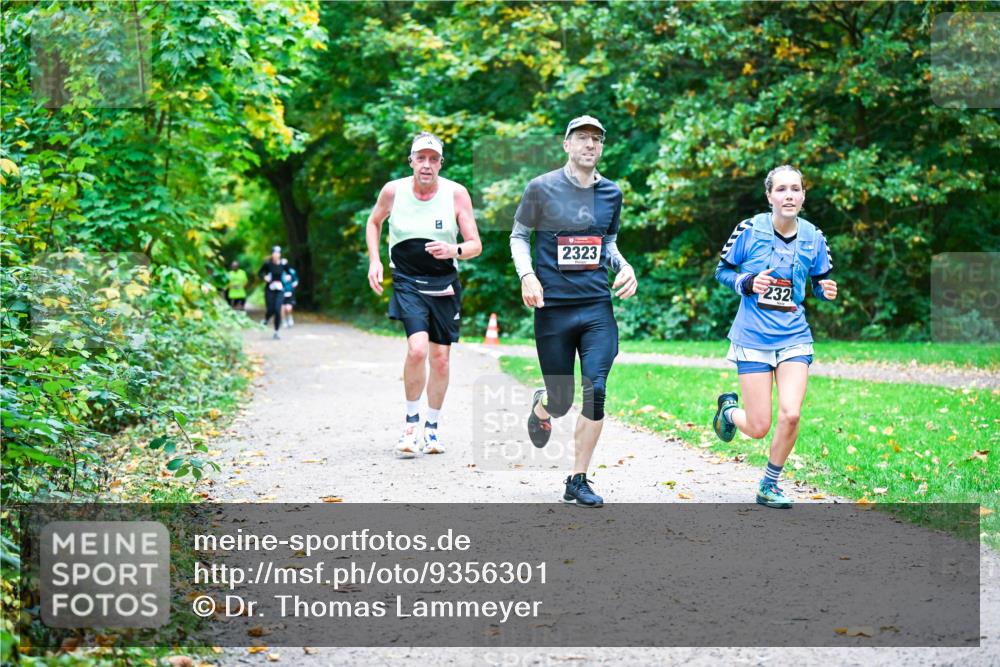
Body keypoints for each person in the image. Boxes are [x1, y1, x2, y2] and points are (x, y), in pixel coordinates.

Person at [510, 115, 638, 508]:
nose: (590, 145)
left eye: (596, 139)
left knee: (595, 389)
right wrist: (527, 275)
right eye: (582, 138)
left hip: (596, 307)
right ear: (567, 144)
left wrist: (625, 266)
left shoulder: (612, 193)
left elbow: (608, 243)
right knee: (562, 400)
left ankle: (577, 479)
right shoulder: (541, 188)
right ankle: (542, 405)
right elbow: (518, 235)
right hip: (553, 310)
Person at [711, 165, 837, 508]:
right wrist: (747, 282)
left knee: (791, 414)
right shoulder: (749, 230)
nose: (789, 195)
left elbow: (820, 280)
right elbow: (722, 271)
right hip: (752, 337)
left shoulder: (814, 237)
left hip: (794, 335)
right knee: (757, 426)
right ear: (769, 196)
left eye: (795, 189)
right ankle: (728, 412)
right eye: (781, 189)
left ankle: (769, 484)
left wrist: (825, 290)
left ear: (803, 195)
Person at [365, 132, 482, 458]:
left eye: (433, 159)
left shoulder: (456, 194)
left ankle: (432, 429)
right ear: (412, 161)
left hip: (444, 284)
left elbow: (475, 244)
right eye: (421, 158)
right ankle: (410, 425)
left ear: (440, 163)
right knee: (417, 350)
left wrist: (452, 248)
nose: (427, 164)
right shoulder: (394, 191)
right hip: (407, 281)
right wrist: (375, 261)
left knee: (441, 360)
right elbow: (373, 223)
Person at [257, 246, 286, 339]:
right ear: (272, 254)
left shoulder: (283, 264)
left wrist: (290, 278)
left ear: (280, 254)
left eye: (278, 253)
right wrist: (264, 277)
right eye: (275, 253)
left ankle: (276, 332)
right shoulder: (268, 264)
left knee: (277, 309)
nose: (276, 255)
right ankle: (266, 319)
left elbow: (290, 273)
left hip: (280, 290)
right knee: (270, 309)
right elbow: (260, 273)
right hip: (270, 289)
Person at [280, 257, 298, 327]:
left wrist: (294, 284)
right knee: (282, 308)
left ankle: (290, 317)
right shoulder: (279, 272)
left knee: (289, 308)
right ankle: (284, 321)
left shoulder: (292, 271)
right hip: (281, 292)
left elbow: (296, 280)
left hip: (290, 292)